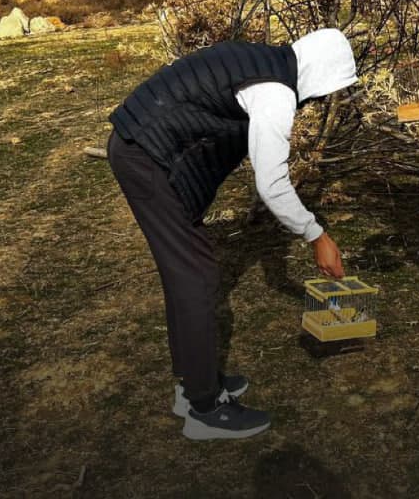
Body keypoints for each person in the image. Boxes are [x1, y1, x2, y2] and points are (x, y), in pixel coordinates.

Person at [107, 28, 357, 441]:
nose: (317, 101)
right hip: (145, 156)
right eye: (324, 92)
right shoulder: (275, 93)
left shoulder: (265, 62)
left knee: (189, 275)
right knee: (196, 277)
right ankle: (204, 409)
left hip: (141, 146)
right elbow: (272, 184)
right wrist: (317, 236)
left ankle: (193, 383)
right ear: (320, 76)